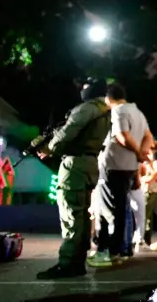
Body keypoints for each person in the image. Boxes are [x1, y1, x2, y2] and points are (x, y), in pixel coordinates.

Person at [36, 78, 112, 279]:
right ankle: (78, 261)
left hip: (75, 166)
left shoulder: (86, 108)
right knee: (82, 217)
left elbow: (68, 132)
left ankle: (67, 263)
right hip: (90, 163)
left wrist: (49, 148)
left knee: (71, 215)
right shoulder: (105, 110)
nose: (81, 89)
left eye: (85, 86)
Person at [87, 83, 153, 268]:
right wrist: (140, 154)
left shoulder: (118, 112)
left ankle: (110, 252)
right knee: (122, 209)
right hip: (129, 168)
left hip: (114, 166)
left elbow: (121, 135)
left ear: (109, 99)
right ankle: (121, 250)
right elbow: (149, 137)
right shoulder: (138, 112)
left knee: (109, 211)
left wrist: (138, 152)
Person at [142, 147, 157, 246]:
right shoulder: (151, 157)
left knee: (146, 215)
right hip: (153, 188)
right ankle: (147, 238)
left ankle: (145, 238)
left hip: (149, 188)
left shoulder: (149, 158)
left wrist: (149, 180)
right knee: (151, 215)